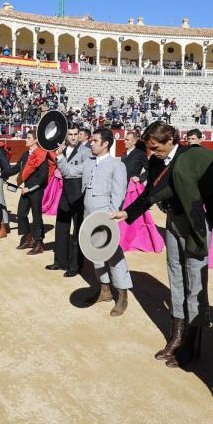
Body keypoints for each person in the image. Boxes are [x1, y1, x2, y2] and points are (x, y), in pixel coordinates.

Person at [113, 122, 213, 368]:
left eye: (155, 147)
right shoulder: (158, 161)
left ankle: (193, 345)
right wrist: (127, 213)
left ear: (170, 139)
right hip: (173, 224)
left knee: (196, 282)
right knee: (176, 277)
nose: (152, 152)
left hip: (195, 226)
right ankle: (177, 337)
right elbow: (149, 193)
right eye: (149, 147)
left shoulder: (192, 157)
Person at [81, 128, 131, 316]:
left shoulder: (117, 165)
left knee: (113, 254)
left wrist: (111, 217)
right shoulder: (88, 162)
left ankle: (123, 293)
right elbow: (72, 172)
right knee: (95, 253)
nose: (91, 143)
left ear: (105, 144)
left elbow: (118, 193)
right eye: (91, 140)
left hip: (105, 216)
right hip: (88, 214)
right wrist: (60, 157)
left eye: (95, 140)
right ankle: (105, 290)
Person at [48, 125, 91, 277]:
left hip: (79, 192)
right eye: (70, 134)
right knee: (61, 226)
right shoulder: (63, 149)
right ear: (66, 137)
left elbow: (69, 172)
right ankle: (60, 261)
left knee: (77, 229)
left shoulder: (86, 151)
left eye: (76, 134)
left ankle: (76, 265)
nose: (73, 137)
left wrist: (59, 157)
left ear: (80, 135)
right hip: (66, 191)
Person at [10, 131, 50, 256]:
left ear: (35, 140)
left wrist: (30, 188)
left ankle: (39, 243)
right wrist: (0, 172)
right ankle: (28, 238)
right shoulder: (25, 154)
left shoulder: (42, 155)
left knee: (36, 215)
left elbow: (43, 176)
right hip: (26, 188)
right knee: (21, 214)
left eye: (28, 138)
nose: (25, 140)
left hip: (36, 190)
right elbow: (16, 168)